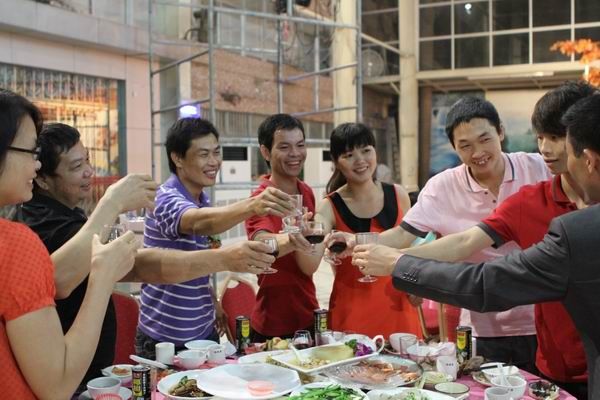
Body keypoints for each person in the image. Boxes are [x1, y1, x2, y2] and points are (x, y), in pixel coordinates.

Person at [353, 93, 600, 400]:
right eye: (540, 138)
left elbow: (484, 280)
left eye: (558, 138)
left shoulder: (550, 192)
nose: (547, 149)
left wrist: (397, 263)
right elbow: (465, 243)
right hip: (540, 349)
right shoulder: (527, 201)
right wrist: (392, 258)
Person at [17, 123, 278, 390]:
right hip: (156, 338)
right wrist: (112, 203)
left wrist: (218, 282)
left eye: (87, 160)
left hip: (191, 331)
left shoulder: (68, 215)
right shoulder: (40, 224)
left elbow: (139, 264)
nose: (89, 171)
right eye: (203, 154)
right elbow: (197, 226)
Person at [331, 97, 552, 371]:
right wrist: (356, 241)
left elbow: (463, 243)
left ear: (501, 132)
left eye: (485, 139)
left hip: (543, 318)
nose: (478, 152)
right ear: (454, 147)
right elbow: (403, 233)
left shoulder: (539, 169)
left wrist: (397, 260)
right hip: (482, 324)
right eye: (465, 145)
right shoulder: (443, 186)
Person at [0, 89, 138, 399]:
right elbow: (57, 385)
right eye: (30, 152)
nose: (35, 166)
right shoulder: (15, 244)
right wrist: (102, 277)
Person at [136, 117, 293, 357]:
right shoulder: (164, 198)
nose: (213, 162)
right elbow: (200, 223)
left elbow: (200, 258)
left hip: (203, 332)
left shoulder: (202, 199)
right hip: (165, 339)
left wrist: (213, 302)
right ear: (177, 158)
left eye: (216, 152)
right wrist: (253, 205)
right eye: (203, 154)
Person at [312, 122, 420, 338]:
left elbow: (411, 249)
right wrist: (306, 236)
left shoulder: (398, 194)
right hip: (350, 310)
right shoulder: (328, 206)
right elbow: (313, 255)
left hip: (399, 305)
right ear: (336, 161)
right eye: (349, 155)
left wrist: (417, 284)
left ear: (375, 152)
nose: (360, 160)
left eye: (366, 150)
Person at [245, 113, 321, 342]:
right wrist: (295, 236)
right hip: (272, 323)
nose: (295, 153)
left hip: (308, 313)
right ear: (265, 152)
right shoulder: (260, 199)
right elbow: (261, 243)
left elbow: (309, 259)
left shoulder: (306, 191)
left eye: (300, 145)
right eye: (285, 147)